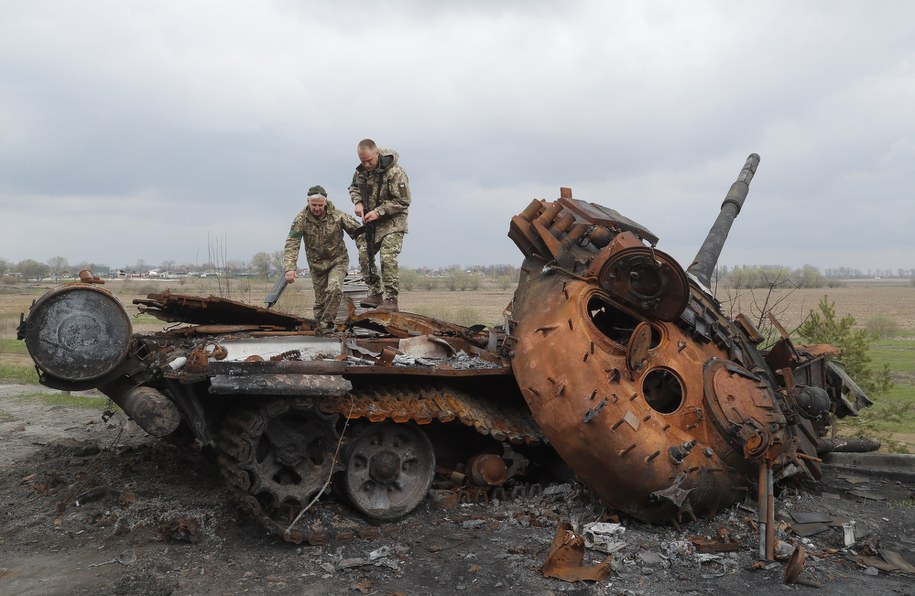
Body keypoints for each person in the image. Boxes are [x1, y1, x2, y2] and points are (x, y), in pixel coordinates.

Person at [284, 185, 362, 334]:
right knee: (320, 303)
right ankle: (321, 332)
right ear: (308, 202)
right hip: (316, 265)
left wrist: (364, 251)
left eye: (320, 205)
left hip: (337, 261)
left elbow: (359, 232)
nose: (317, 208)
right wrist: (290, 267)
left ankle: (327, 324)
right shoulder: (301, 219)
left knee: (334, 288)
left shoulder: (338, 216)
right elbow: (292, 242)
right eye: (314, 205)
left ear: (326, 202)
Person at [348, 138, 411, 312]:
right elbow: (353, 187)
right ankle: (375, 293)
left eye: (369, 160)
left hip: (393, 222)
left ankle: (391, 299)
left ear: (377, 153)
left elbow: (404, 200)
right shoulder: (361, 172)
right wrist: (358, 202)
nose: (366, 164)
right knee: (364, 255)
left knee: (387, 257)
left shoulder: (396, 172)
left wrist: (379, 212)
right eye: (363, 161)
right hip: (372, 223)